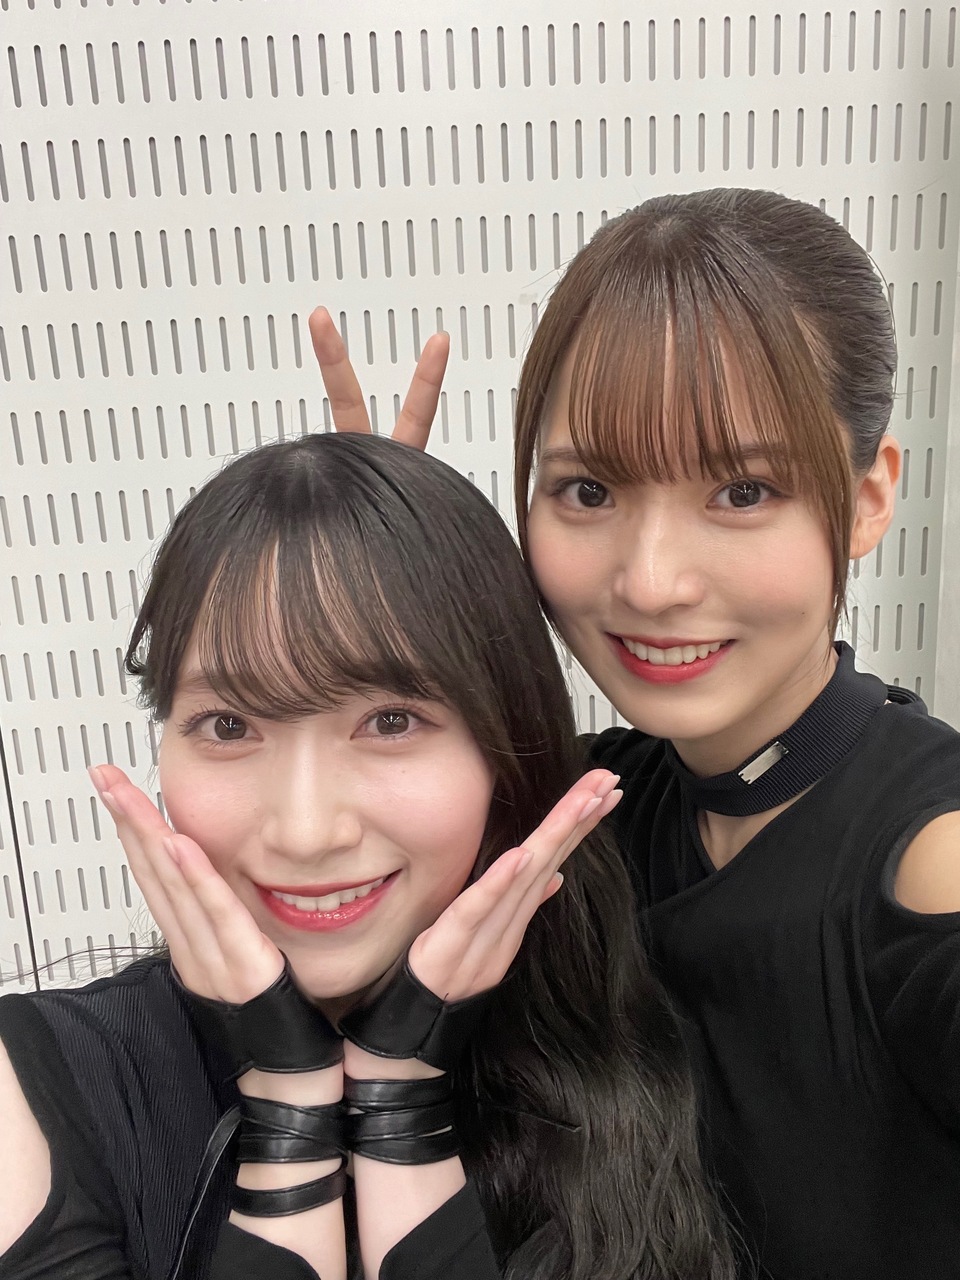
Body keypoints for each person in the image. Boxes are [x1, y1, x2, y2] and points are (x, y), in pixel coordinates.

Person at [310, 186, 960, 1279]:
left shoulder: (931, 861)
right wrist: (387, 601)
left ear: (866, 497)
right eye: (588, 489)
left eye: (742, 489)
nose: (651, 581)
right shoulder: (590, 810)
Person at [0, 432, 735, 1280]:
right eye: (229, 725)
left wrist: (399, 1100)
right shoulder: (34, 1095)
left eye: (390, 721)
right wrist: (288, 1111)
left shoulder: (624, 1043)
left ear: (505, 752)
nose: (307, 831)